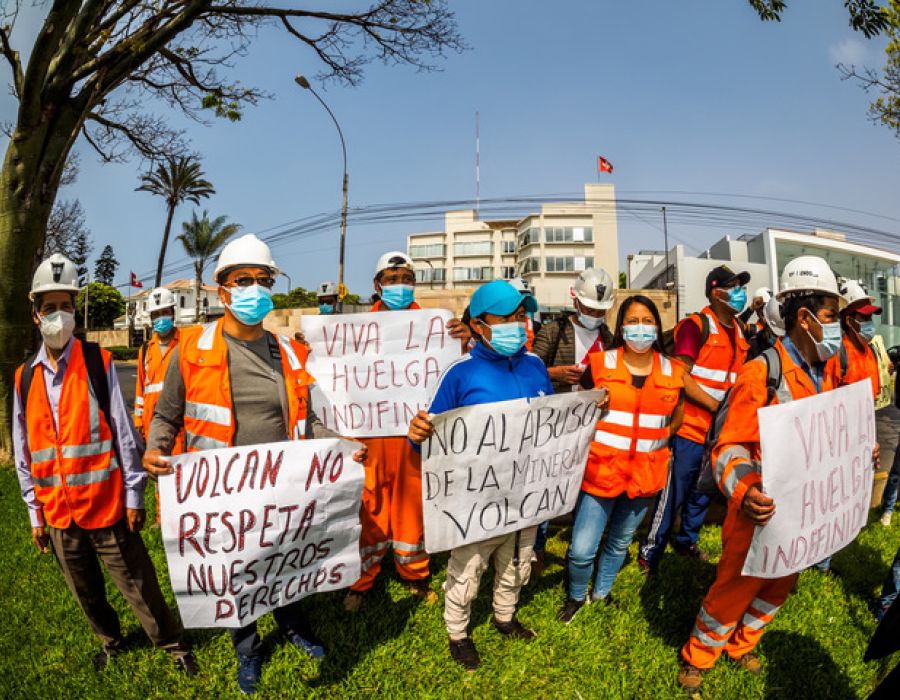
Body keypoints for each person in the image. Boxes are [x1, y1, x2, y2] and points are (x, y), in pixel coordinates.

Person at [141, 234, 366, 695]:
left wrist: (341, 445)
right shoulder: (190, 348)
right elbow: (166, 413)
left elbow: (309, 420)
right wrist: (156, 446)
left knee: (284, 559)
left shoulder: (287, 352)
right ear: (222, 289)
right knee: (235, 573)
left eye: (263, 280)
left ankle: (292, 622)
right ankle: (247, 647)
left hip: (282, 490)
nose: (255, 290)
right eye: (243, 280)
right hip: (220, 494)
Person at [14, 254, 197, 676]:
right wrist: (33, 513)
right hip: (58, 512)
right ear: (35, 314)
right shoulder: (24, 378)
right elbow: (24, 452)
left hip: (106, 504)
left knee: (138, 583)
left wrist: (134, 496)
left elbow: (122, 433)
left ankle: (172, 644)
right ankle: (110, 641)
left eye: (66, 305)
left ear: (75, 309)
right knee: (85, 590)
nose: (58, 315)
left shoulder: (98, 363)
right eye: (49, 307)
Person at [677, 255, 846, 689]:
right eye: (831, 315)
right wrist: (748, 490)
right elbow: (729, 446)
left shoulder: (827, 373)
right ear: (805, 318)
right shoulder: (762, 372)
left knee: (778, 586)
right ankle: (700, 656)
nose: (837, 325)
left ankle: (742, 644)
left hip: (801, 512)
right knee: (735, 584)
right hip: (759, 510)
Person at [407, 280, 551, 671]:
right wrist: (418, 435)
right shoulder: (459, 374)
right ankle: (458, 633)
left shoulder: (537, 366)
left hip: (525, 496)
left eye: (520, 316)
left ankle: (505, 616)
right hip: (476, 502)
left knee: (517, 564)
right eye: (504, 318)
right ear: (478, 325)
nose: (516, 325)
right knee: (468, 570)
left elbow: (553, 427)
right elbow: (430, 441)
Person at [343, 251, 471, 612]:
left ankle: (414, 574)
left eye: (406, 278)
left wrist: (463, 340)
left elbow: (457, 371)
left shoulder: (436, 327)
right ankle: (362, 579)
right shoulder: (355, 331)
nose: (400, 285)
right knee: (368, 507)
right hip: (371, 437)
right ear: (377, 284)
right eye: (392, 278)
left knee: (412, 510)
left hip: (415, 437)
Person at [559, 295, 685, 622]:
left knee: (619, 543)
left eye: (647, 321)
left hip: (646, 476)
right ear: (621, 327)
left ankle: (601, 593)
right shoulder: (601, 364)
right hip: (600, 473)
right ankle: (575, 596)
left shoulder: (674, 371)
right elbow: (580, 407)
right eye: (633, 321)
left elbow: (677, 419)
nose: (640, 328)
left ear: (657, 328)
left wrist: (653, 442)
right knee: (581, 549)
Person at [639, 264, 751, 573]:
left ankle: (687, 541)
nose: (741, 293)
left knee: (702, 492)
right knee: (673, 493)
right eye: (735, 287)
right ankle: (651, 551)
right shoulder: (696, 325)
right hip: (689, 428)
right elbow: (679, 374)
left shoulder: (740, 330)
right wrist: (714, 405)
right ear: (717, 293)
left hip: (719, 433)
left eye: (742, 286)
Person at [532, 267, 616, 395]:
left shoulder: (608, 339)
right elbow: (528, 371)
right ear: (576, 302)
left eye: (600, 311)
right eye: (589, 310)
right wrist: (553, 374)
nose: (595, 315)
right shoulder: (552, 332)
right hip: (558, 409)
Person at [134, 287, 183, 452]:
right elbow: (140, 388)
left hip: (179, 423)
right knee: (157, 470)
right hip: (151, 423)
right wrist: (138, 420)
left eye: (165, 312)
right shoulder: (146, 349)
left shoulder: (186, 344)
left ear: (173, 313)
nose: (161, 318)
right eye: (156, 314)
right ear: (151, 318)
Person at [508, 276, 542, 349]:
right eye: (520, 300)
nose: (522, 306)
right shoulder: (497, 321)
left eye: (524, 301)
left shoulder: (528, 321)